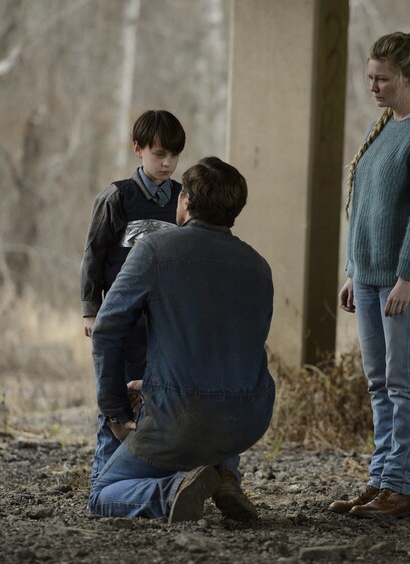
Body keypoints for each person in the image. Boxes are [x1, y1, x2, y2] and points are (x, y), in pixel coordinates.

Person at [88, 156, 275, 523]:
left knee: (102, 494)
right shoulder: (258, 266)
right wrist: (156, 385)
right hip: (247, 418)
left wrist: (115, 410)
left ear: (186, 202)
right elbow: (235, 348)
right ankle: (224, 475)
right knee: (209, 416)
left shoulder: (155, 251)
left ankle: (173, 490)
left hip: (181, 419)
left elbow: (107, 329)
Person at [330, 32, 410, 519]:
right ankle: (381, 481)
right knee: (378, 382)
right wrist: (352, 271)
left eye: (383, 79)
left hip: (403, 280)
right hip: (368, 277)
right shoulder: (378, 128)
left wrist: (408, 277)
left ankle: (399, 489)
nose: (374, 87)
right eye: (370, 78)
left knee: (402, 382)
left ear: (409, 77)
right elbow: (363, 210)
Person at [80, 110, 186, 491]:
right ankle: (103, 481)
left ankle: (151, 478)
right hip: (122, 320)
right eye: (159, 154)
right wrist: (92, 310)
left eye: (174, 155)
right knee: (116, 398)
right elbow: (94, 253)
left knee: (158, 396)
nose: (168, 163)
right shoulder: (118, 197)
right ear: (138, 149)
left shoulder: (182, 198)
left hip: (164, 323)